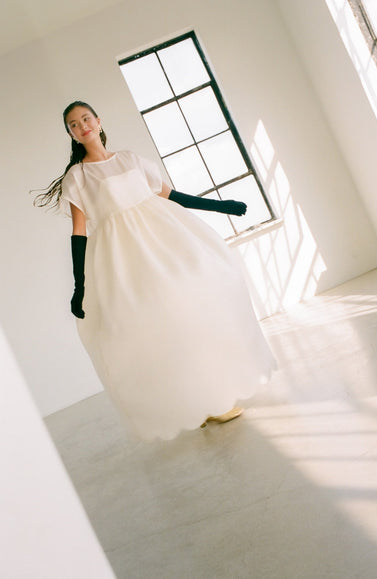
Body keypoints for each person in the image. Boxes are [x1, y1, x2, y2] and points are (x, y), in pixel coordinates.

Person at [35, 100, 276, 441]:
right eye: (73, 124)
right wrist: (80, 285)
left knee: (193, 308)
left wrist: (221, 206)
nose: (82, 125)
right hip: (121, 257)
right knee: (157, 328)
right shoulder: (78, 176)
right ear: (71, 134)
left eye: (86, 118)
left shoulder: (130, 159)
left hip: (164, 240)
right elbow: (79, 231)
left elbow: (171, 196)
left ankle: (212, 397)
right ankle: (198, 403)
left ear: (99, 120)